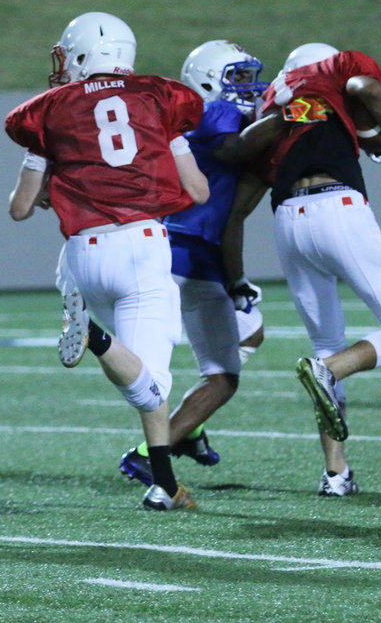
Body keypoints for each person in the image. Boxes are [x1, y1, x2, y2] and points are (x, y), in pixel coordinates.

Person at [5, 12, 208, 511]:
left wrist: (56, 184)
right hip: (141, 246)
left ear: (78, 56)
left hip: (82, 257)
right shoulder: (159, 100)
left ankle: (163, 483)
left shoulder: (49, 111)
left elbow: (19, 208)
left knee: (137, 374)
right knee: (154, 382)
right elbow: (197, 192)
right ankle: (93, 336)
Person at [225, 43, 381, 496]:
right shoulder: (336, 71)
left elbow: (238, 208)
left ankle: (336, 474)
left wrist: (234, 278)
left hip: (287, 222)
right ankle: (332, 371)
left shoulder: (275, 109)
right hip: (337, 208)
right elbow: (366, 88)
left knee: (324, 344)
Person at [116, 40, 269, 486]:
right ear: (207, 78)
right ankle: (148, 454)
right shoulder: (210, 112)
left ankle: (187, 429)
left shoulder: (209, 115)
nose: (247, 86)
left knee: (251, 331)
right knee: (221, 376)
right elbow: (236, 151)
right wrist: (285, 117)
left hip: (186, 253)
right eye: (236, 77)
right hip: (187, 255)